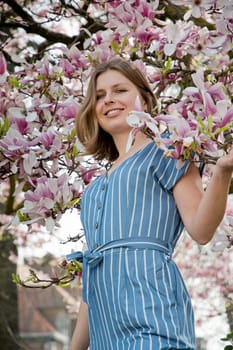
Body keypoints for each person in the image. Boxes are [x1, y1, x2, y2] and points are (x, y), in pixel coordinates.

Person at [68, 58, 233, 350]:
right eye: (99, 96)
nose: (109, 100)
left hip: (153, 317)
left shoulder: (168, 150)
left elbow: (201, 229)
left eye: (119, 90)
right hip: (107, 332)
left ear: (144, 98)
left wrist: (221, 171)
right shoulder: (92, 190)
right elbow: (91, 283)